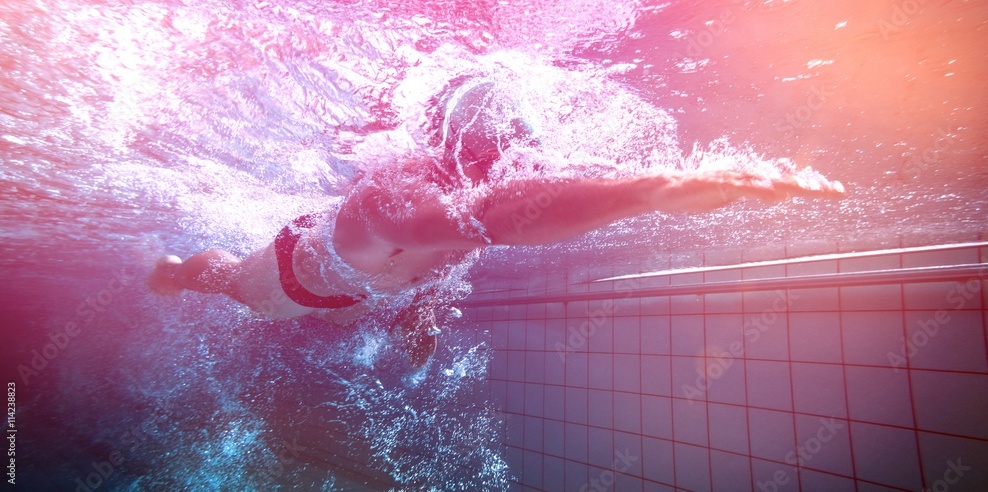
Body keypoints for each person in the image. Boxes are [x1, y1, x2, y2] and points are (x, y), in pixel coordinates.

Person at [146, 78, 845, 366]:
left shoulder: (450, 208)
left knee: (340, 316)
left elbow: (456, 250)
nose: (502, 169)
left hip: (355, 287)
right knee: (226, 282)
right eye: (486, 155)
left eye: (508, 157)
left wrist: (419, 318)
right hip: (289, 280)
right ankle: (177, 269)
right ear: (451, 146)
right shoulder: (388, 195)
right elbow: (488, 221)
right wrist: (649, 190)